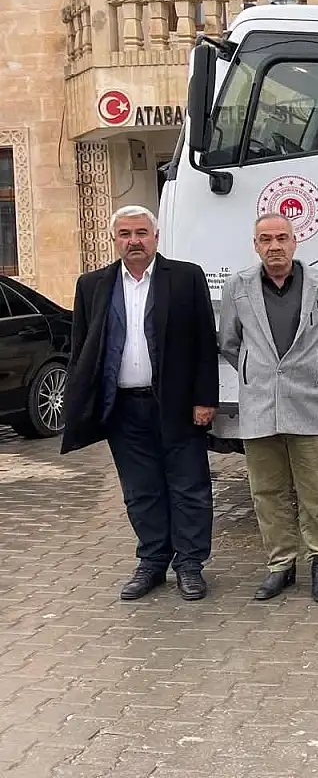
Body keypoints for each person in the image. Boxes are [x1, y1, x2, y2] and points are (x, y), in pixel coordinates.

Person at [61, 205, 220, 602]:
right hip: (123, 409)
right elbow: (82, 347)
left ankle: (190, 565)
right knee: (140, 490)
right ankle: (152, 561)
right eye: (125, 234)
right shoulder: (92, 284)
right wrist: (85, 402)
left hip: (178, 406)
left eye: (141, 233)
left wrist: (205, 398)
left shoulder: (184, 277)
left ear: (155, 237)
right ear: (115, 239)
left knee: (189, 487)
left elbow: (205, 341)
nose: (134, 240)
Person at [219, 213, 318, 603]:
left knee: (314, 490)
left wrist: (312, 370)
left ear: (295, 242)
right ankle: (281, 564)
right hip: (259, 403)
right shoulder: (238, 288)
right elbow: (229, 341)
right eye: (265, 239)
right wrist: (256, 371)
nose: (274, 246)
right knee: (267, 490)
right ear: (255, 245)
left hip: (308, 403)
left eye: (282, 238)